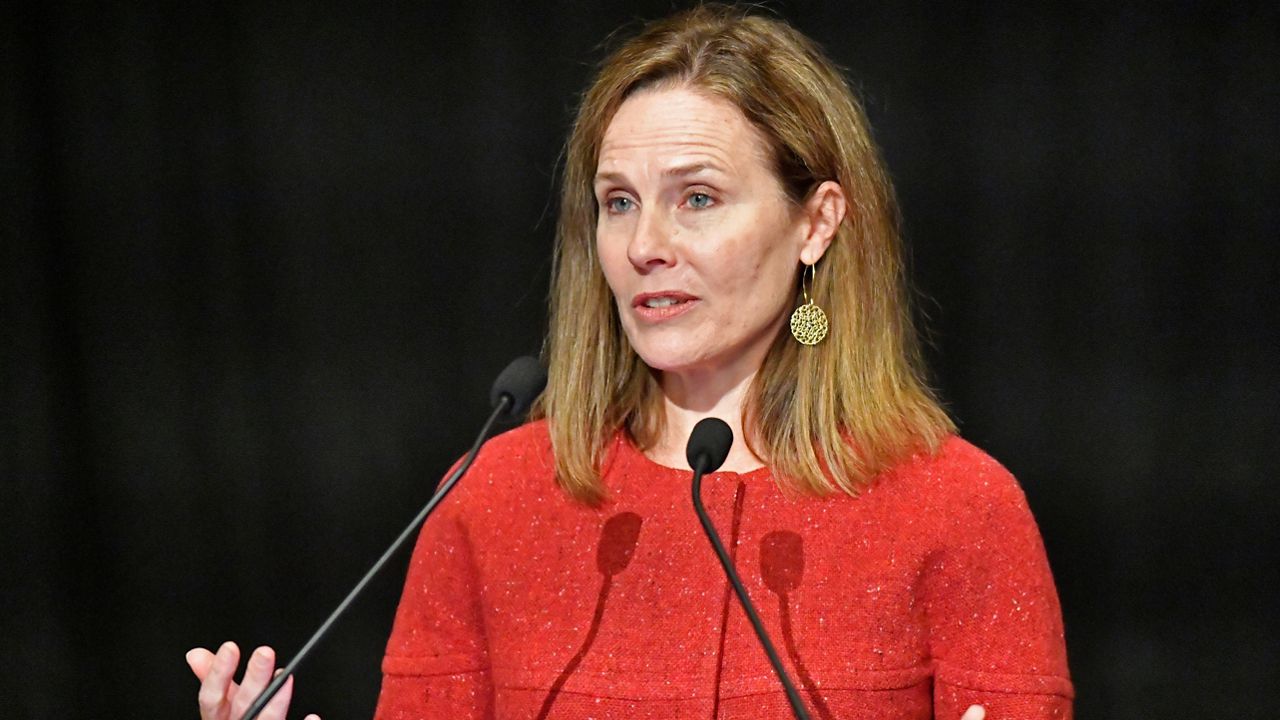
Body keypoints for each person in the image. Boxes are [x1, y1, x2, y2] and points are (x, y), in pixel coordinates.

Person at [188, 5, 1072, 719]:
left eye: (697, 197)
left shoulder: (959, 511)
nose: (645, 244)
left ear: (817, 222)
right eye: (618, 202)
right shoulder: (488, 503)